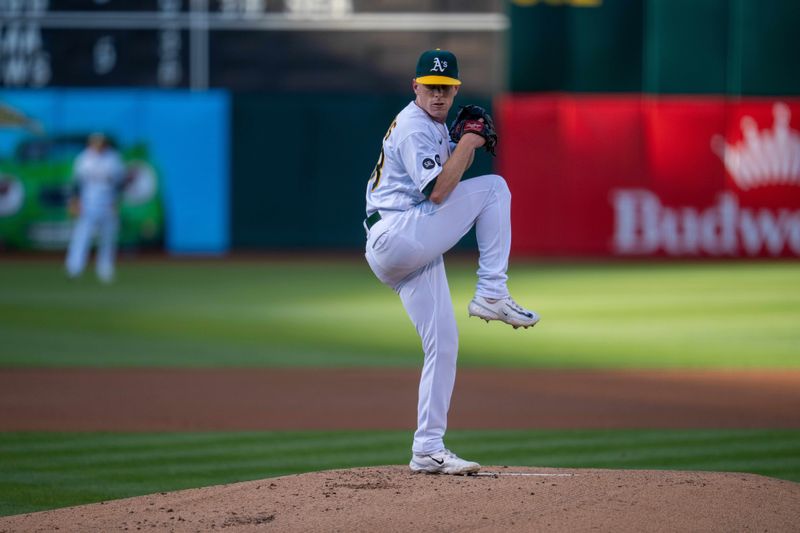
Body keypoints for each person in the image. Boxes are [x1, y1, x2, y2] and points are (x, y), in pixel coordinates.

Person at [364, 49, 540, 475]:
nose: (438, 96)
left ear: (455, 89)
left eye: (446, 88)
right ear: (415, 87)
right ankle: (492, 291)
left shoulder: (436, 127)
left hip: (406, 244)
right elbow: (439, 192)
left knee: (443, 344)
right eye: (431, 87)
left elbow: (441, 189)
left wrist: (461, 141)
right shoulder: (414, 127)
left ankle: (427, 448)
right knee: (495, 188)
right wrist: (470, 141)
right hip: (397, 234)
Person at [65, 132, 127, 283]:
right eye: (95, 143)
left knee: (108, 237)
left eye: (100, 143)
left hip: (108, 202)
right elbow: (76, 182)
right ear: (90, 144)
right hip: (88, 203)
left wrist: (117, 202)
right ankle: (74, 267)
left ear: (105, 144)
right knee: (82, 235)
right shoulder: (83, 158)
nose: (97, 146)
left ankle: (105, 269)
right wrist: (75, 201)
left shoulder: (113, 159)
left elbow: (120, 183)